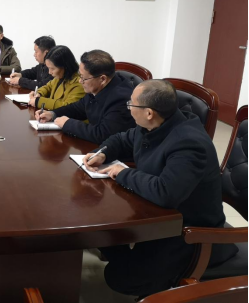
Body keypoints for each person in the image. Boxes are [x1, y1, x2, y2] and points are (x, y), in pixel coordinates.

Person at [83, 80, 238, 298]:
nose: (128, 108)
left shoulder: (189, 143)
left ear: (149, 113)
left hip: (190, 234)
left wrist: (123, 173)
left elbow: (166, 192)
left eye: (131, 104)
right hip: (162, 217)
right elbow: (122, 139)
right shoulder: (155, 124)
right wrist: (103, 153)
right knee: (103, 235)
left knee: (120, 278)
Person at [36, 50, 135, 144]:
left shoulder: (121, 99)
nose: (80, 81)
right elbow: (78, 108)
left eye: (83, 78)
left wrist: (68, 124)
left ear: (102, 79)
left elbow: (103, 134)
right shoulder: (96, 87)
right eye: (80, 76)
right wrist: (53, 114)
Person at [28, 45, 85, 110]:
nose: (49, 72)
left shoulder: (80, 82)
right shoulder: (61, 76)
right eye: (48, 68)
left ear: (64, 67)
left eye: (52, 69)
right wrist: (39, 93)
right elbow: (48, 86)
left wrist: (39, 101)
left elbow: (68, 107)